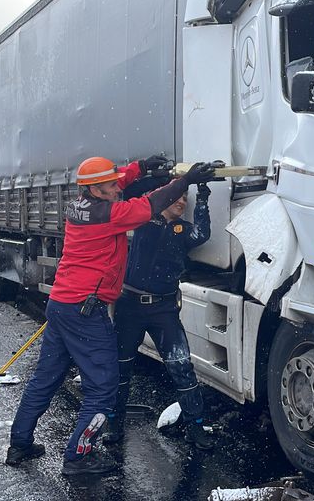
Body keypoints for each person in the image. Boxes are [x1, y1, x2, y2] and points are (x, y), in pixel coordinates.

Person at [6, 155, 215, 476]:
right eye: (112, 186)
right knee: (104, 387)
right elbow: (147, 205)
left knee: (45, 378)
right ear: (98, 190)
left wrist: (141, 167)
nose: (118, 188)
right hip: (85, 312)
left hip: (62, 304)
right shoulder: (108, 215)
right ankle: (79, 456)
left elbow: (119, 180)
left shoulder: (83, 205)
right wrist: (184, 182)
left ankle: (20, 443)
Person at [102, 183, 213, 449]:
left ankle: (195, 427)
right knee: (121, 368)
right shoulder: (143, 221)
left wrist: (203, 198)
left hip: (164, 309)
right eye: (178, 196)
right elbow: (137, 203)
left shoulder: (183, 231)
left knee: (181, 367)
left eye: (186, 199)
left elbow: (202, 234)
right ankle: (114, 425)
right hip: (130, 306)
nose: (182, 202)